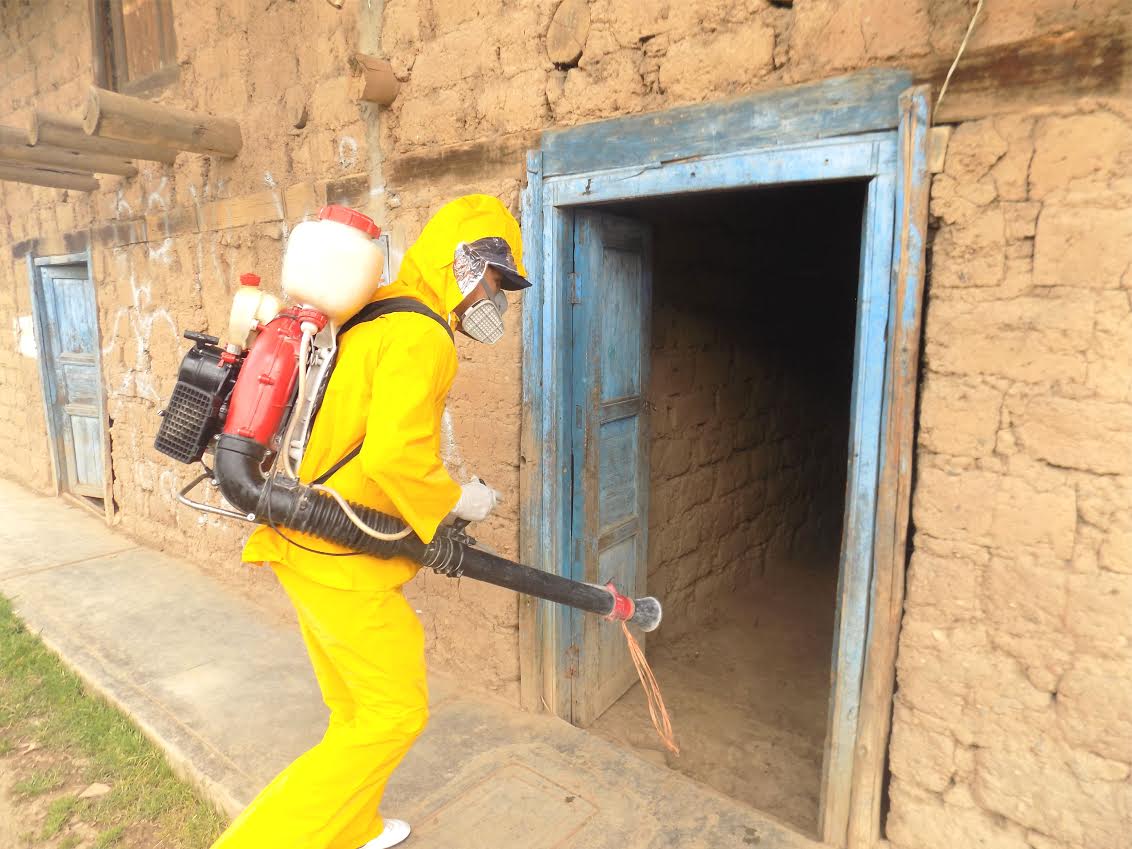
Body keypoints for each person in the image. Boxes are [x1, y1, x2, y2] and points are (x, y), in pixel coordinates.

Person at [210, 194, 531, 849]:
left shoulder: (377, 309)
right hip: (341, 559)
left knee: (354, 706)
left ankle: (353, 825)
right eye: (495, 282)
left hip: (301, 539)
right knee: (394, 709)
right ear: (464, 264)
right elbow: (392, 454)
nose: (494, 301)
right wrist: (454, 501)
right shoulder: (423, 334)